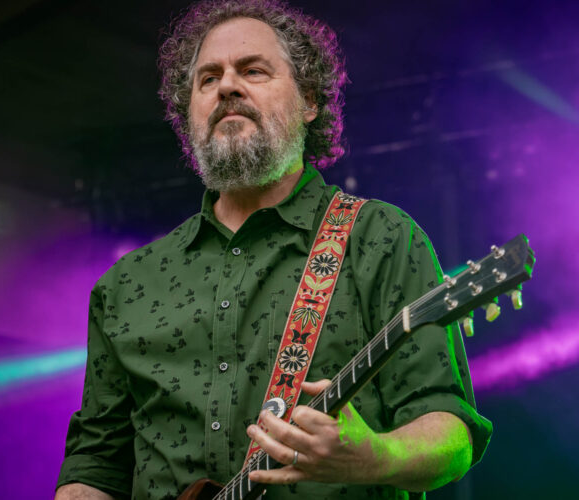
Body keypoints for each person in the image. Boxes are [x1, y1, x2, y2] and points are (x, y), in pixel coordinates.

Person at [55, 1, 492, 499]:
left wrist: (373, 457)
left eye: (253, 71)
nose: (227, 86)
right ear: (188, 113)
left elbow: (451, 431)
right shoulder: (127, 285)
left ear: (309, 101)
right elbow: (95, 467)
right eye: (208, 79)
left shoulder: (380, 238)